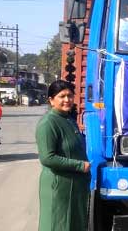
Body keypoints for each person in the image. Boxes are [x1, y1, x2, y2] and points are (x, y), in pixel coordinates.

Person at [36, 80, 90, 231]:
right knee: (58, 224)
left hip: (75, 186)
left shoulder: (68, 119)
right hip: (59, 187)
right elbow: (47, 158)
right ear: (51, 100)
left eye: (70, 96)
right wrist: (80, 165)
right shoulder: (48, 123)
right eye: (62, 96)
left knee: (74, 225)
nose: (67, 100)